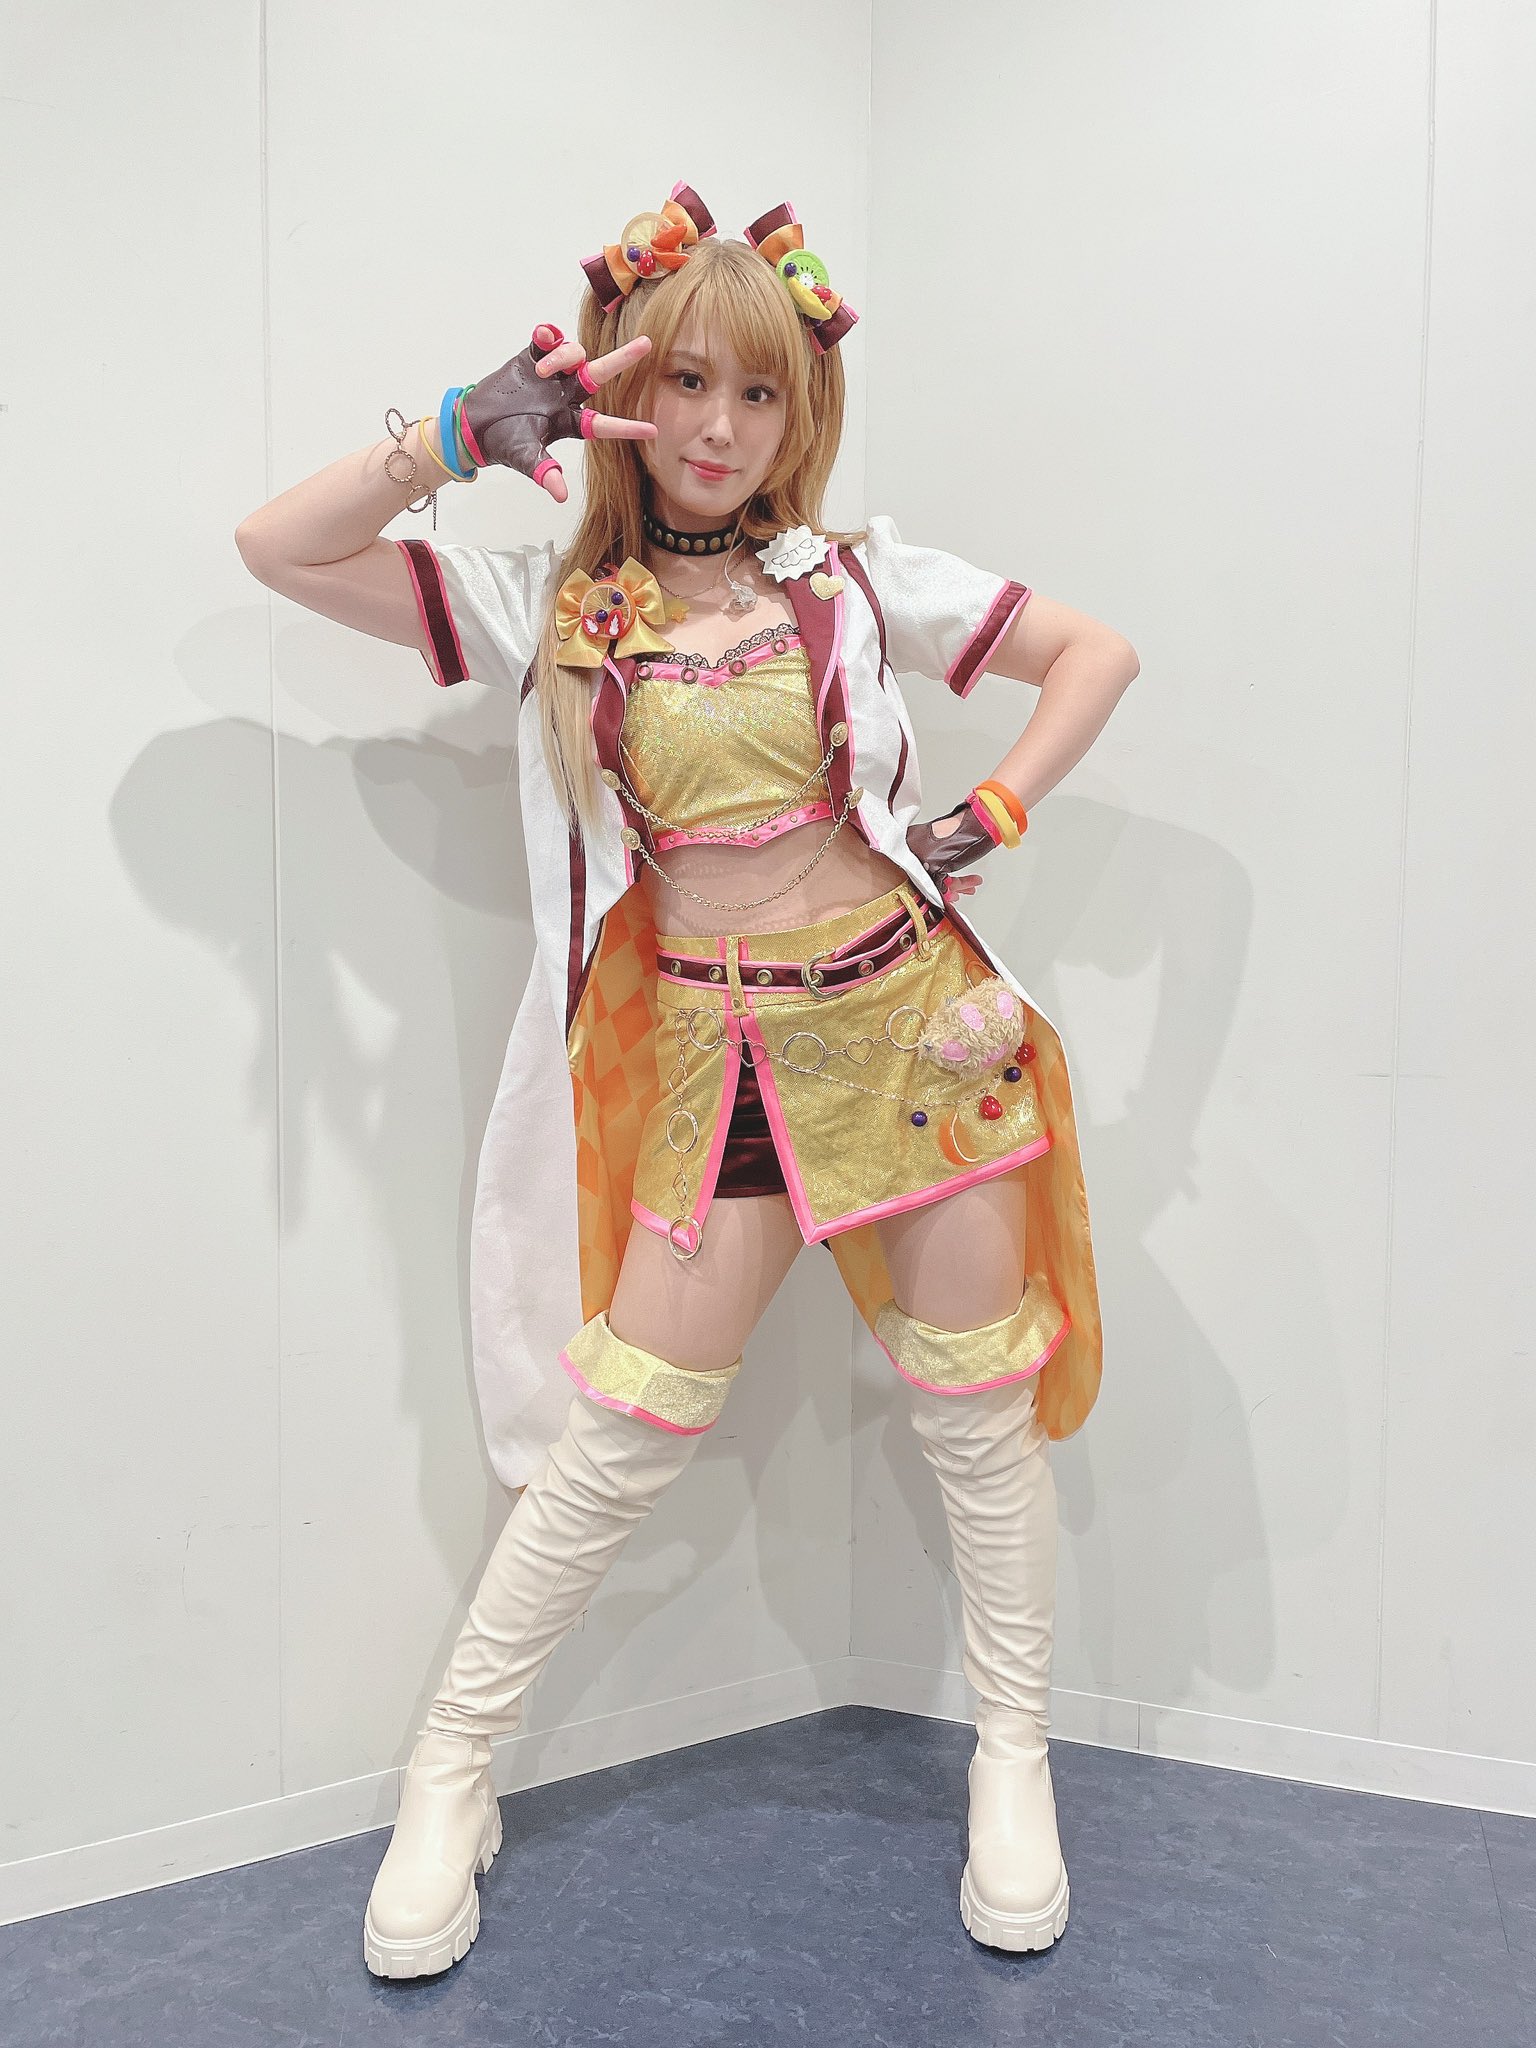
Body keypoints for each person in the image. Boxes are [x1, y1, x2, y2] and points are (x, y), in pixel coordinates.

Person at [235, 181, 1139, 1978]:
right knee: (621, 1438)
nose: (722, 430)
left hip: (915, 1032)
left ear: (803, 413)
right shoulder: (551, 605)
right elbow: (278, 547)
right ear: (622, 396)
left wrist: (994, 808)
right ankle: (450, 1770)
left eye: (761, 392)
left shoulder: (856, 579)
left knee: (975, 1417)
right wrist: (449, 433)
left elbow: (1090, 654)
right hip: (719, 1057)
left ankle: (1012, 1759)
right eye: (689, 385)